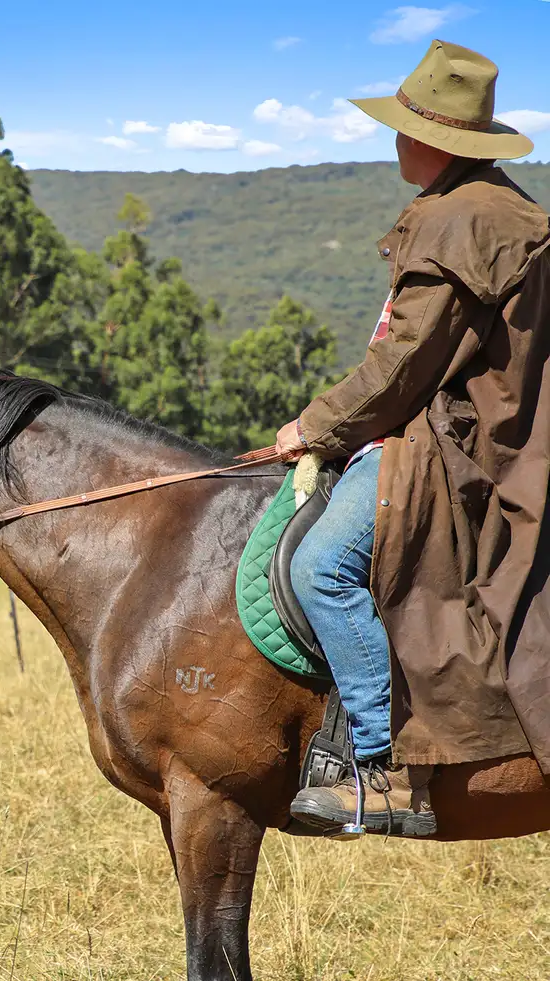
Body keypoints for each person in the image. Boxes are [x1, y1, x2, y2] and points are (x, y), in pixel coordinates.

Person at [275, 39, 550, 837]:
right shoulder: (499, 206)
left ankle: (382, 767)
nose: (395, 140)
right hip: (500, 435)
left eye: (404, 127)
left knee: (322, 567)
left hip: (452, 446)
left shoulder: (460, 222)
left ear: (434, 139)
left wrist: (314, 425)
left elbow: (403, 366)